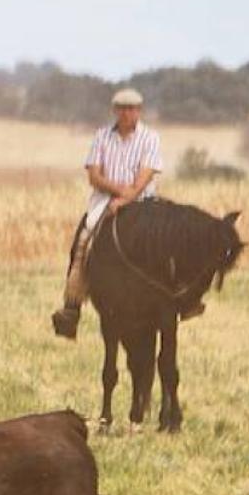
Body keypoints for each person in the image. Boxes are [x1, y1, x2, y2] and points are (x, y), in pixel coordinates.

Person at [51, 88, 167, 338]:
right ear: (115, 111)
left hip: (144, 201)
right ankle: (72, 306)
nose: (127, 114)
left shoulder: (150, 138)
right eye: (122, 109)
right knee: (83, 239)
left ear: (139, 111)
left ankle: (181, 299)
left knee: (168, 241)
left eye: (132, 109)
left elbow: (145, 177)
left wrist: (126, 199)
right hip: (104, 201)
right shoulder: (102, 136)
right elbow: (94, 176)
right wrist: (118, 193)